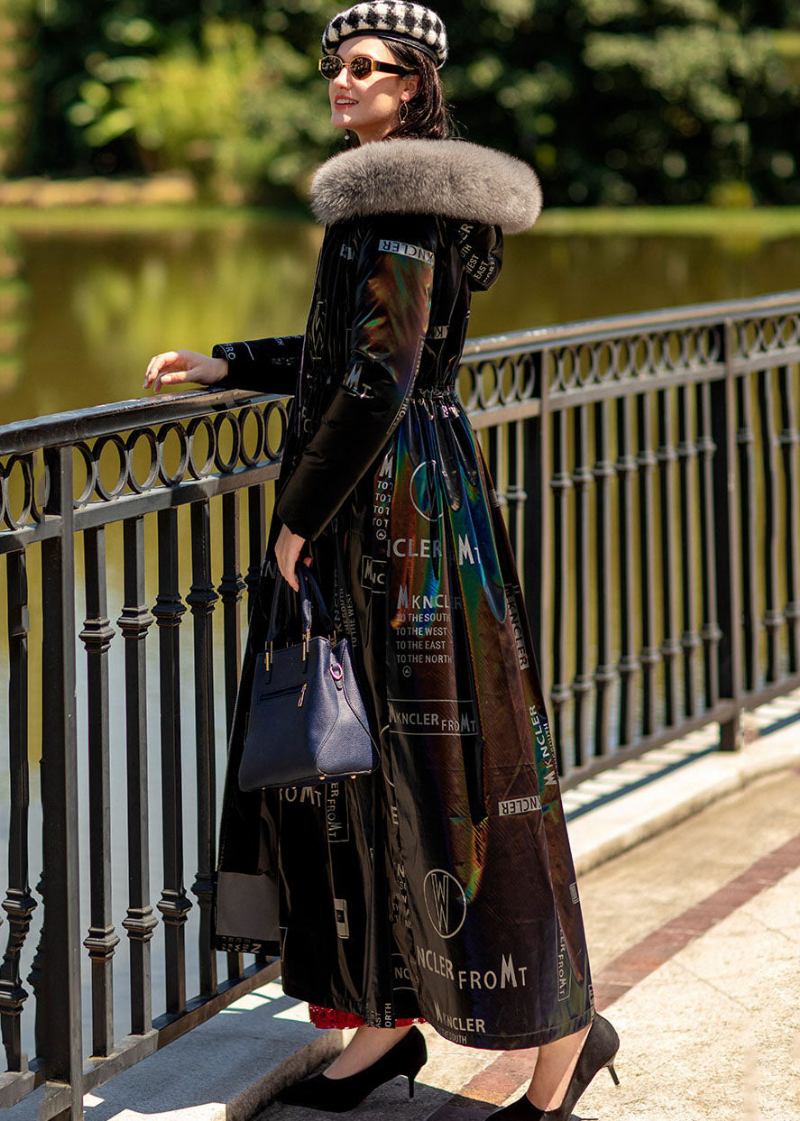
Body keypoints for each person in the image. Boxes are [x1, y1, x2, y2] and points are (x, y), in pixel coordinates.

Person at [143, 3, 620, 1117]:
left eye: (371, 70)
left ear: (415, 89)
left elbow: (379, 381)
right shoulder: (387, 199)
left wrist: (297, 517)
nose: (344, 83)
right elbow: (343, 354)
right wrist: (232, 362)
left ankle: (558, 1042)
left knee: (460, 778)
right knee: (362, 774)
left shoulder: (393, 199)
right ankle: (382, 1026)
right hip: (402, 500)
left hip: (399, 520)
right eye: (337, 67)